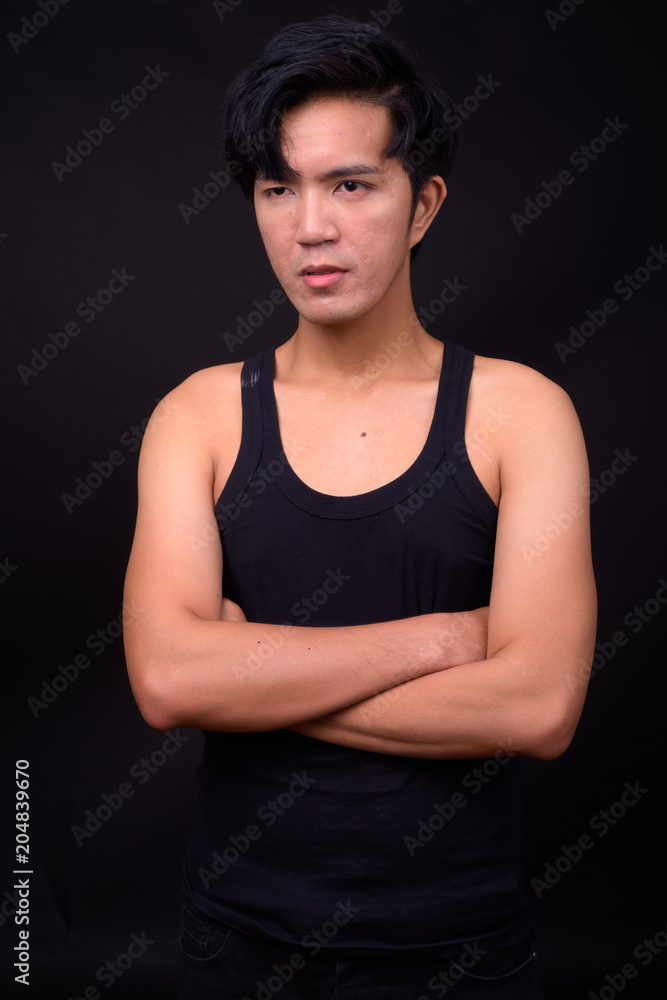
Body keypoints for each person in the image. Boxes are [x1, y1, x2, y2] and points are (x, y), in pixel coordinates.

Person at [123, 14, 596, 999]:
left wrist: (249, 675)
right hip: (239, 944)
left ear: (422, 204)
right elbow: (168, 680)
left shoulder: (521, 414)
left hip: (462, 951)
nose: (310, 226)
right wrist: (445, 640)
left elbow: (538, 706)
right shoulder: (197, 416)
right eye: (278, 188)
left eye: (349, 185)